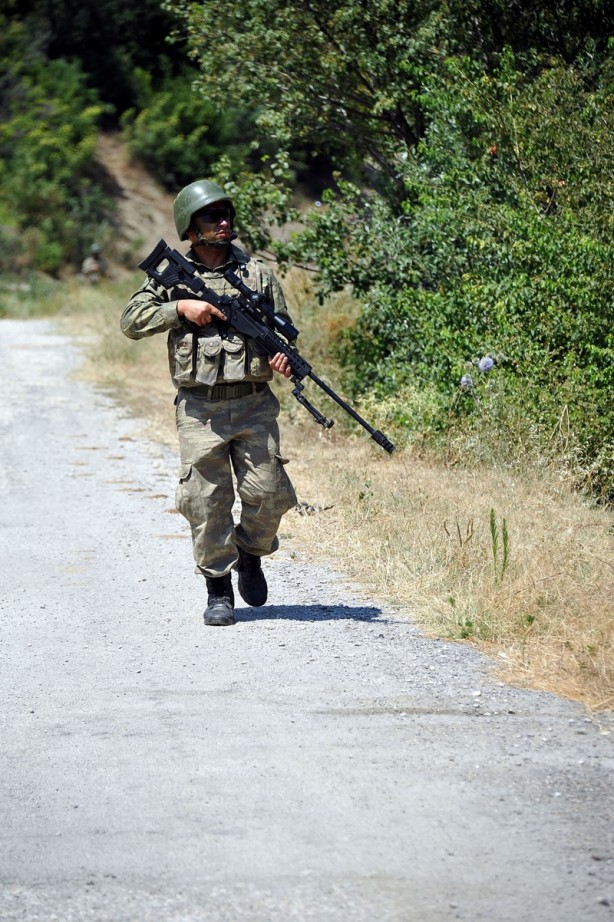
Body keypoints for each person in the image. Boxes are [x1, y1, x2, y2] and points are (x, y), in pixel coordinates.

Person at [120, 180, 297, 627]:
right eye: (212, 216)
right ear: (190, 228)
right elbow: (131, 321)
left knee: (270, 495)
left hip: (254, 404)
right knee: (205, 502)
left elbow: (281, 333)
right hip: (200, 410)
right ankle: (218, 589)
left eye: (226, 215)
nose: (224, 222)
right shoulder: (172, 276)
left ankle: (250, 553)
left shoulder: (257, 275)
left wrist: (281, 359)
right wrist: (180, 309)